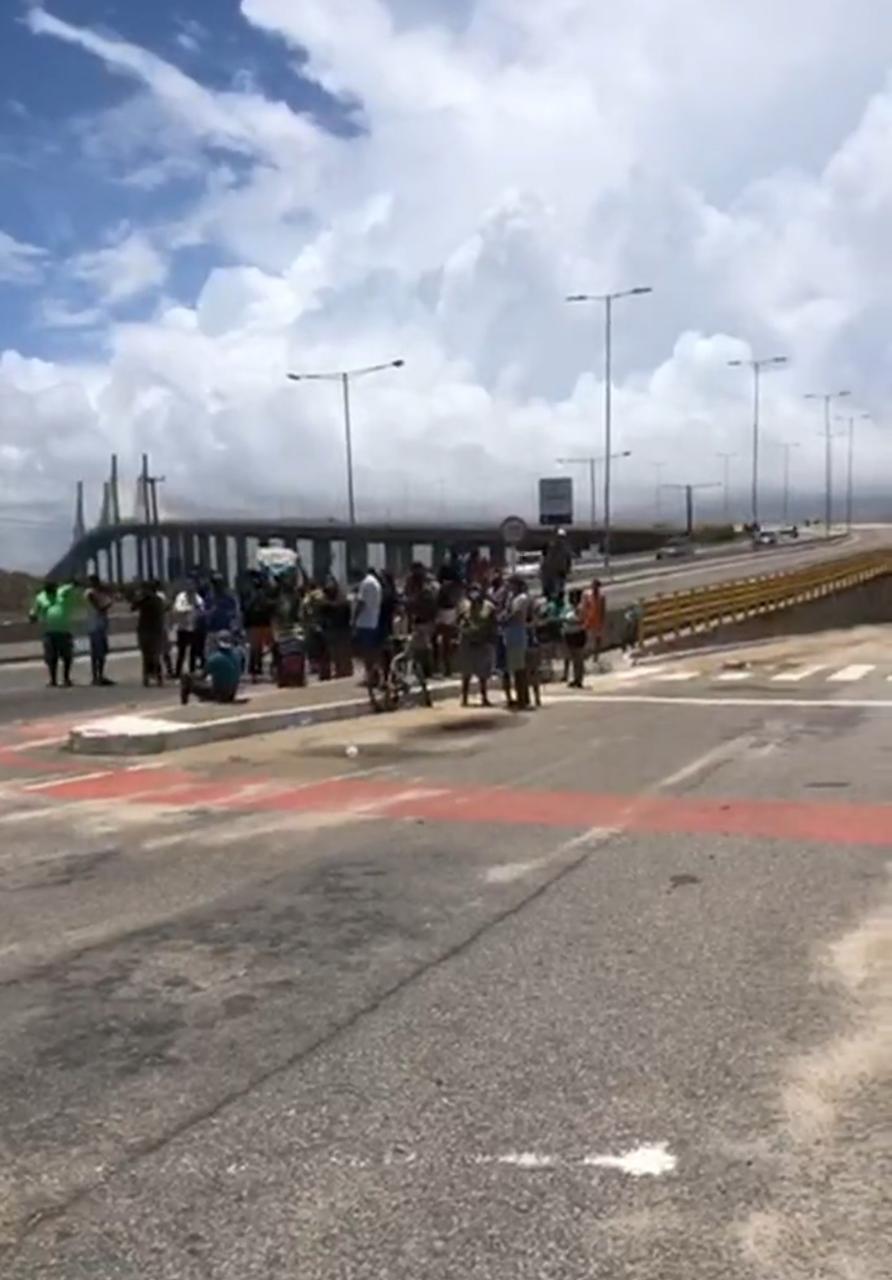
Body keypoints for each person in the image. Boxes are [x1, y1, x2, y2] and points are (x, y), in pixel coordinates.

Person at [29, 579, 82, 687]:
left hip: (64, 631)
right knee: (51, 657)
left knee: (67, 656)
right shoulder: (41, 597)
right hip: (49, 632)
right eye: (49, 590)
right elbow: (35, 610)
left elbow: (71, 586)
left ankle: (66, 679)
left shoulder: (62, 592)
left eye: (53, 590)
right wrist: (33, 616)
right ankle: (53, 680)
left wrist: (75, 583)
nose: (51, 592)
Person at [457, 585, 497, 707]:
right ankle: (464, 698)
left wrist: (490, 639)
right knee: (466, 673)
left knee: (483, 674)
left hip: (483, 643)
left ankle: (484, 697)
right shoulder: (464, 605)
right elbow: (458, 622)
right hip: (467, 643)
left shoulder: (489, 607)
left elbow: (493, 624)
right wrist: (465, 628)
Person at [180, 630, 242, 705]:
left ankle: (184, 704)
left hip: (218, 694)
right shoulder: (237, 655)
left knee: (186, 678)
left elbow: (202, 676)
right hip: (232, 693)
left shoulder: (215, 658)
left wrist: (191, 674)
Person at [500, 575, 531, 709]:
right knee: (512, 669)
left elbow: (516, 614)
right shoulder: (511, 598)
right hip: (510, 636)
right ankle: (519, 698)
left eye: (510, 584)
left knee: (519, 670)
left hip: (517, 635)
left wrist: (503, 620)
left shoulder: (521, 598)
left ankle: (522, 699)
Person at [404, 562, 439, 678]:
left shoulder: (428, 585)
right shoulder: (411, 582)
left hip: (427, 619)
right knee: (417, 646)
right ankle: (420, 670)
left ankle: (429, 670)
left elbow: (430, 602)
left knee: (427, 646)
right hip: (417, 618)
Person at [240, 570, 276, 681]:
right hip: (253, 623)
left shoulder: (266, 592)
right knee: (254, 648)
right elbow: (245, 608)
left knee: (271, 646)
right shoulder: (248, 593)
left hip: (264, 622)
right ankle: (254, 670)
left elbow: (271, 604)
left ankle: (269, 668)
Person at [131, 579, 167, 687]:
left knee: (149, 655)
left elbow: (133, 607)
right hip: (153, 630)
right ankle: (155, 677)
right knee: (152, 655)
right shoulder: (158, 600)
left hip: (149, 630)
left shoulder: (148, 600)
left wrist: (140, 598)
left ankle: (150, 677)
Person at [317, 578, 353, 680]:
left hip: (336, 629)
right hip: (340, 628)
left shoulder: (330, 603)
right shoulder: (342, 601)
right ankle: (344, 670)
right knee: (341, 651)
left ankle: (342, 670)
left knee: (338, 651)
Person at [353, 567, 383, 687]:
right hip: (374, 620)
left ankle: (370, 677)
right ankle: (375, 675)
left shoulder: (365, 584)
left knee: (367, 652)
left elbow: (361, 603)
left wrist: (354, 619)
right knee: (373, 651)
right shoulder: (376, 583)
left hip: (365, 622)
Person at [85, 574, 114, 686]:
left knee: (102, 653)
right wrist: (109, 602)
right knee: (96, 653)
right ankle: (95, 677)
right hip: (94, 626)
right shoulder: (90, 593)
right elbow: (100, 607)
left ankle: (100, 675)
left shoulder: (100, 593)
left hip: (101, 625)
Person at [171, 579, 203, 678]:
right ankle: (178, 672)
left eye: (192, 586)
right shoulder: (181, 597)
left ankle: (192, 671)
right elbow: (177, 609)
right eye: (188, 585)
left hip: (194, 628)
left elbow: (202, 609)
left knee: (193, 651)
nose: (190, 588)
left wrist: (197, 609)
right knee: (182, 652)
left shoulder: (197, 598)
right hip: (183, 628)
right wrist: (190, 608)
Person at [203, 573, 241, 655]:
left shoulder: (229, 598)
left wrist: (235, 628)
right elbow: (205, 614)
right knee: (211, 655)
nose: (217, 586)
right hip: (212, 630)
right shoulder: (209, 598)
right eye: (215, 583)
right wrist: (211, 612)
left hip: (225, 630)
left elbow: (235, 614)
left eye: (219, 583)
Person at [562, 588, 587, 688]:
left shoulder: (580, 608)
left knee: (578, 658)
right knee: (573, 658)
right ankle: (575, 678)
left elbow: (581, 620)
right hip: (569, 635)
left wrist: (569, 621)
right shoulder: (568, 608)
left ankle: (579, 679)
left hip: (577, 634)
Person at [541, 528, 573, 599]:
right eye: (559, 537)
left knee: (559, 592)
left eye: (562, 538)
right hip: (550, 573)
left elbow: (568, 560)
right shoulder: (549, 546)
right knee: (550, 593)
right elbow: (544, 559)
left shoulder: (566, 548)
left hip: (559, 573)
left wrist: (568, 570)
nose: (560, 540)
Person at [582, 577, 606, 670]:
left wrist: (602, 621)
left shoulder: (601, 596)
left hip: (597, 620)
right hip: (589, 620)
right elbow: (585, 608)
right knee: (587, 640)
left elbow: (603, 609)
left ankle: (596, 656)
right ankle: (587, 656)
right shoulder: (588, 595)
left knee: (597, 640)